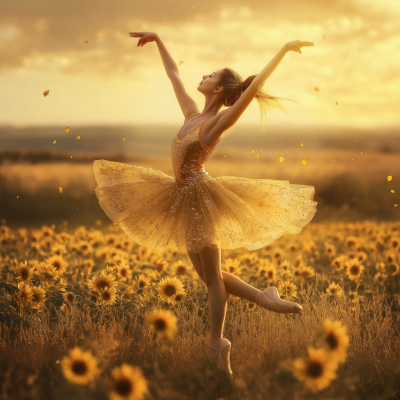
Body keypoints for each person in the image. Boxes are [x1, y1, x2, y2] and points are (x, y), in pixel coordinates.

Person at [93, 32, 316, 383]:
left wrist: (284, 51)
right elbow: (174, 75)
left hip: (200, 200)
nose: (203, 75)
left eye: (210, 74)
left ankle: (216, 343)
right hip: (182, 197)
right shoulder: (191, 114)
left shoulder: (215, 125)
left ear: (219, 90)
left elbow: (253, 89)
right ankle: (265, 298)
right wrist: (158, 40)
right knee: (207, 276)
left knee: (212, 278)